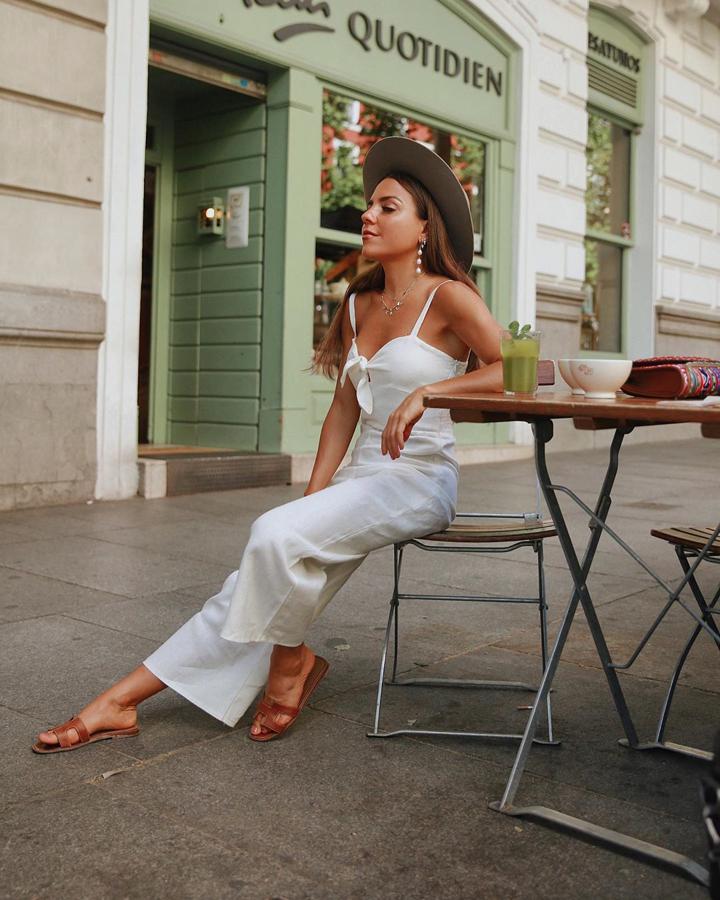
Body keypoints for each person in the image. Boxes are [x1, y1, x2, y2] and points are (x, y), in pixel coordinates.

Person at [32, 136, 504, 752]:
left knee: (271, 541)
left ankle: (290, 667)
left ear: (422, 228)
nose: (367, 215)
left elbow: (510, 368)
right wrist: (311, 498)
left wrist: (428, 393)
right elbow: (343, 407)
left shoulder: (450, 296)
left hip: (418, 480)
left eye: (387, 207)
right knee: (255, 575)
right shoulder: (359, 302)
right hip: (359, 480)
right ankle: (118, 702)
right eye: (370, 206)